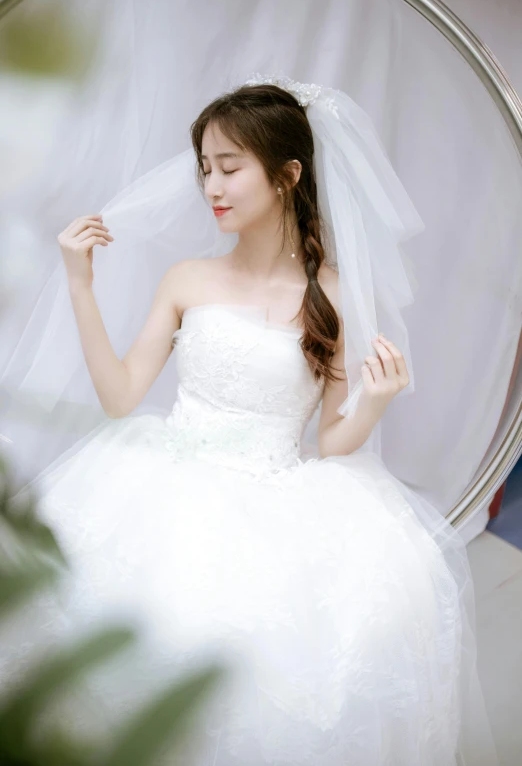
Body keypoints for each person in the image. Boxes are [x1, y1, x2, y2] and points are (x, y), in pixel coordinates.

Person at [1, 77, 498, 765]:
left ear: (288, 175)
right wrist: (81, 285)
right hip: (160, 487)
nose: (212, 185)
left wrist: (373, 403)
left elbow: (331, 441)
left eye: (230, 167)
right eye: (205, 167)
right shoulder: (187, 278)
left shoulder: (332, 296)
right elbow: (120, 395)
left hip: (274, 498)